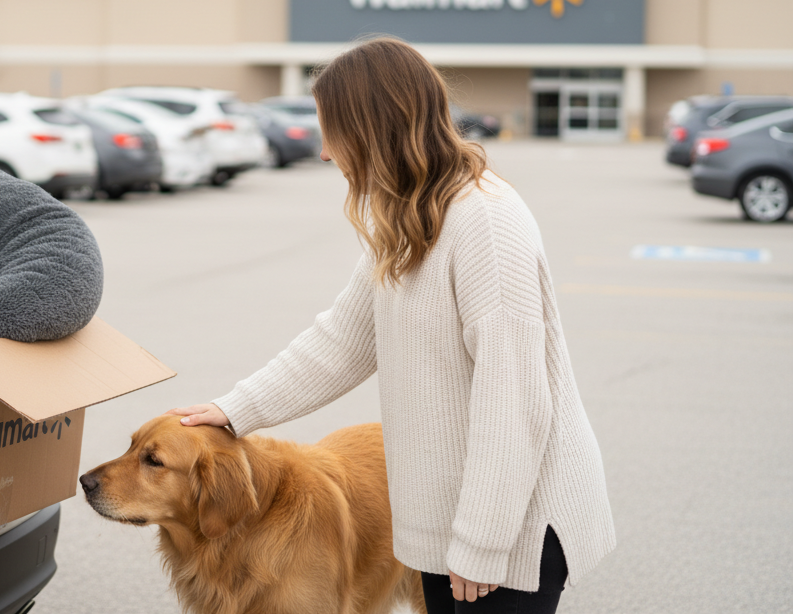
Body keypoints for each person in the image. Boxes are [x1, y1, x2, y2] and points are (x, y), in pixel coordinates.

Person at [169, 38, 614, 613]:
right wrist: (235, 408)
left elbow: (515, 400)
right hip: (448, 523)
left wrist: (481, 541)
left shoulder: (486, 222)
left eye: (332, 131)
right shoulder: (407, 218)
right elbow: (340, 343)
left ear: (372, 128)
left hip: (511, 529)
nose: (327, 153)